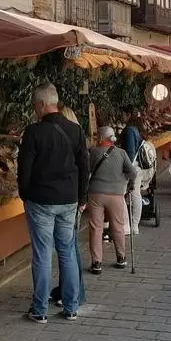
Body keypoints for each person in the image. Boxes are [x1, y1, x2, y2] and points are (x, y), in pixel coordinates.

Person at [18, 83, 88, 323]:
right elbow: (84, 166)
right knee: (67, 252)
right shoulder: (76, 130)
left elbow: (24, 169)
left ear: (41, 104)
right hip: (69, 200)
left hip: (41, 200)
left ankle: (40, 310)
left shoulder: (33, 132)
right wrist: (82, 197)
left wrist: (25, 194)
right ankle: (71, 307)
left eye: (34, 105)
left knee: (42, 254)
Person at [85, 126, 136, 274]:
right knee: (118, 226)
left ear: (100, 138)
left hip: (96, 194)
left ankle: (96, 262)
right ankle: (121, 258)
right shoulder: (121, 153)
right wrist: (129, 186)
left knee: (96, 227)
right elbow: (132, 172)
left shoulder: (93, 152)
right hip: (116, 194)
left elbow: (86, 171)